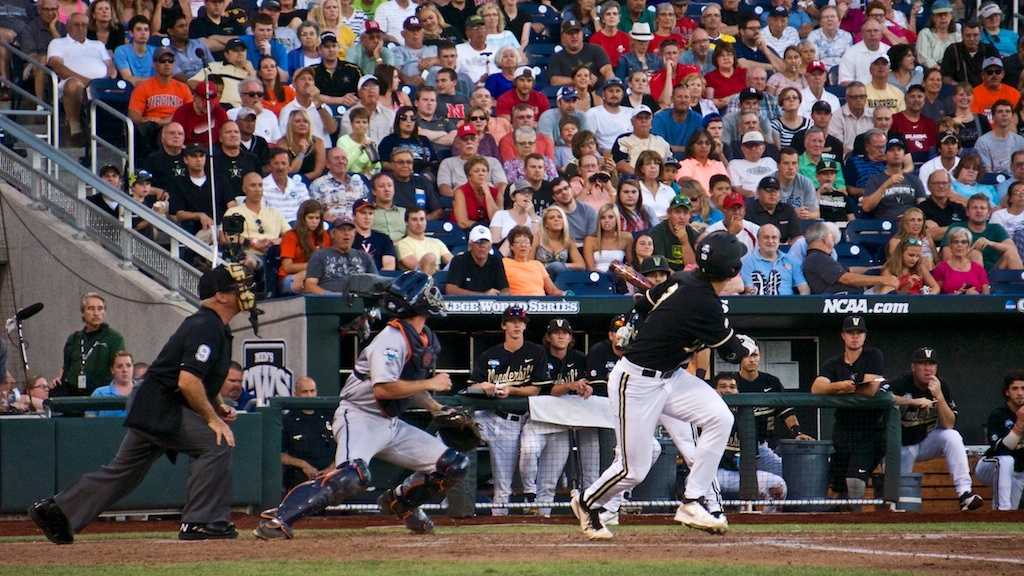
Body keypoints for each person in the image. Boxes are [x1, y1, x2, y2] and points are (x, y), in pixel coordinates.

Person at [31, 264, 255, 544]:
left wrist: (217, 405)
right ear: (221, 296)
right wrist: (212, 418)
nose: (246, 291)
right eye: (238, 288)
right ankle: (201, 522)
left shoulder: (211, 325)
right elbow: (187, 381)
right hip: (163, 405)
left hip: (154, 401)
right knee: (215, 442)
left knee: (124, 471)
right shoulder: (206, 325)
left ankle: (57, 511)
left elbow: (200, 380)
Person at [255, 271, 469, 538]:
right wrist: (431, 384)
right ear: (418, 300)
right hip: (359, 416)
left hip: (390, 423)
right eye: (429, 291)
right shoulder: (392, 339)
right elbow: (384, 388)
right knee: (350, 477)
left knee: (453, 464)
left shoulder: (422, 336)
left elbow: (408, 387)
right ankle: (278, 518)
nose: (435, 296)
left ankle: (400, 502)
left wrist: (435, 408)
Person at [572, 232, 756, 540]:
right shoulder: (704, 303)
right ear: (731, 271)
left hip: (672, 376)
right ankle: (587, 502)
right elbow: (732, 353)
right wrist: (740, 343)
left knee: (720, 418)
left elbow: (644, 302)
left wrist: (644, 324)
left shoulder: (682, 279)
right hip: (636, 381)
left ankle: (693, 500)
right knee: (633, 470)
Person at [464, 305, 550, 515]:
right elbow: (471, 386)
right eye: (512, 321)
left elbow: (537, 389)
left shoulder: (536, 351)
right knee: (502, 483)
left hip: (522, 420)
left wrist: (511, 389)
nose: (517, 325)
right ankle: (483, 515)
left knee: (517, 468)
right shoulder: (490, 354)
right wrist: (484, 387)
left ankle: (515, 512)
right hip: (495, 418)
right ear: (504, 325)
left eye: (521, 321)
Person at [888, 347, 984, 511]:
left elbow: (949, 423)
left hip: (925, 441)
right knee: (897, 501)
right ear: (913, 367)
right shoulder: (902, 383)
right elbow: (883, 396)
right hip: (901, 445)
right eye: (922, 364)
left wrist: (939, 396)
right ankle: (892, 504)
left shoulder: (940, 386)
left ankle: (964, 494)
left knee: (951, 436)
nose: (928, 369)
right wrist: (911, 402)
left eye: (931, 364)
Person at [516, 317, 590, 518]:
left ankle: (543, 519)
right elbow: (547, 389)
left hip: (562, 425)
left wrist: (585, 388)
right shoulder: (539, 357)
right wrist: (570, 385)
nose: (561, 336)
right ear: (548, 337)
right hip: (538, 420)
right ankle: (529, 493)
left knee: (549, 481)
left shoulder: (580, 359)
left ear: (570, 337)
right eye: (556, 332)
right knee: (529, 451)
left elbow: (588, 385)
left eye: (565, 332)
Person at [811, 316, 888, 505]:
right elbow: (816, 388)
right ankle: (839, 529)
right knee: (837, 487)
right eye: (850, 332)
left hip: (870, 430)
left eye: (859, 332)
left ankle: (858, 521)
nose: (855, 337)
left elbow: (871, 389)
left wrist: (837, 389)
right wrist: (840, 385)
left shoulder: (873, 356)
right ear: (843, 335)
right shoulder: (833, 363)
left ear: (865, 335)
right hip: (843, 429)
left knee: (855, 482)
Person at [713, 372, 787, 503]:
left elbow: (750, 460)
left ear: (738, 391)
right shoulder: (704, 413)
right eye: (723, 386)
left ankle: (761, 520)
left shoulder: (747, 417)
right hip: (711, 474)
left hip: (738, 473)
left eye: (732, 387)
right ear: (714, 390)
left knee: (777, 485)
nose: (728, 390)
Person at [47, 12, 116, 146]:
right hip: (71, 83)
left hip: (100, 85)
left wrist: (107, 78)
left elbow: (110, 66)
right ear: (68, 26)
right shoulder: (58, 43)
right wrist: (86, 81)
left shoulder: (97, 44)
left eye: (84, 25)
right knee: (74, 84)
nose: (80, 28)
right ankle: (75, 126)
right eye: (76, 25)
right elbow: (57, 65)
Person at [801, 221, 898, 294]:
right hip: (840, 302)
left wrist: (877, 268)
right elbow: (847, 278)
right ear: (823, 238)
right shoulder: (816, 258)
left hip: (854, 297)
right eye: (831, 236)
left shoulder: (821, 258)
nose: (834, 240)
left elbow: (849, 270)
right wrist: (883, 279)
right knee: (888, 287)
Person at [975, 371, 1024, 511]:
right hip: (990, 465)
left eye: (1023, 388)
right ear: (1007, 392)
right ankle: (1001, 509)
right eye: (1015, 388)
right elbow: (1000, 449)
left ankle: (1005, 515)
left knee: (1011, 515)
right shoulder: (998, 415)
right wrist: (1019, 424)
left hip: (1018, 472)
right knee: (1006, 460)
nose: (1020, 393)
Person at [222, 171, 289, 271]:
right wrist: (253, 243)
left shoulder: (274, 212)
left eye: (260, 185)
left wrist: (277, 241)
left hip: (275, 254)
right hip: (249, 254)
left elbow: (290, 235)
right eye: (253, 185)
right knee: (249, 260)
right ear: (244, 189)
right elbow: (230, 238)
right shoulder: (233, 212)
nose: (257, 189)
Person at [280, 376, 337, 491]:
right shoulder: (287, 420)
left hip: (331, 476)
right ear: (296, 394)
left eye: (312, 391)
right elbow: (280, 455)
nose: (310, 395)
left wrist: (332, 467)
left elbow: (344, 446)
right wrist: (303, 465)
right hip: (300, 478)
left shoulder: (330, 416)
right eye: (305, 392)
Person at [168, 144, 232, 243]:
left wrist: (224, 227)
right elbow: (179, 214)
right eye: (194, 156)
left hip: (220, 227)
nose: (198, 160)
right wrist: (199, 215)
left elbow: (232, 205)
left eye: (201, 156)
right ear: (185, 160)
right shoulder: (178, 183)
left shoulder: (219, 180)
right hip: (192, 231)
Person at [943, 194, 1023, 272]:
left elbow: (1012, 249)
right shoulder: (956, 227)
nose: (979, 211)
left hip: (994, 272)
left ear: (988, 214)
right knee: (976, 254)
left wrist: (989, 243)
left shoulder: (996, 228)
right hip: (965, 273)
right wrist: (971, 250)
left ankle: (1020, 284)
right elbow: (947, 257)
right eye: (975, 208)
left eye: (983, 208)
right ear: (967, 212)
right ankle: (980, 283)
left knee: (1011, 253)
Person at [303, 214, 378, 294]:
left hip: (360, 301)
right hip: (331, 302)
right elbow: (309, 286)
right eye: (342, 229)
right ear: (332, 234)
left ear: (355, 234)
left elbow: (377, 284)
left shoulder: (365, 257)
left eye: (350, 230)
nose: (346, 233)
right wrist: (330, 295)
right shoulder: (320, 255)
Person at [862, 138, 927, 222]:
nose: (896, 153)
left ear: (904, 155)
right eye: (891, 150)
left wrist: (909, 216)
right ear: (885, 156)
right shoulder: (875, 179)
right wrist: (886, 184)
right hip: (884, 226)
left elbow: (923, 207)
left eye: (899, 150)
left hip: (910, 225)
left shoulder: (914, 179)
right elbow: (866, 207)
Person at [279, 199, 331, 294]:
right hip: (290, 277)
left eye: (317, 218)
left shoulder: (325, 236)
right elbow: (287, 267)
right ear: (303, 218)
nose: (314, 222)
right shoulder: (290, 235)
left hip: (315, 276)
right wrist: (313, 267)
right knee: (307, 280)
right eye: (310, 218)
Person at [740, 223, 808, 295]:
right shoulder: (748, 262)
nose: (770, 241)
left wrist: (800, 305)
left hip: (787, 304)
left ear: (779, 241)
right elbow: (749, 291)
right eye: (766, 237)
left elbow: (804, 288)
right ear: (758, 241)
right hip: (759, 303)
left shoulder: (791, 260)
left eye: (774, 237)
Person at [308, 147, 370, 221]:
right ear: (327, 164)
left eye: (344, 158)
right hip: (332, 227)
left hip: (357, 226)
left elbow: (368, 206)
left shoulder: (359, 182)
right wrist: (323, 216)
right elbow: (312, 212)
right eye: (336, 158)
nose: (341, 161)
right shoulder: (317, 185)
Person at [548, 19, 614, 87]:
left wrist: (611, 85)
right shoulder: (556, 57)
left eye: (577, 32)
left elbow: (607, 71)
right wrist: (582, 80)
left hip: (596, 91)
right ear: (563, 37)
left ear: (582, 34)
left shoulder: (596, 49)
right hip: (571, 94)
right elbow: (554, 81)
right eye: (570, 33)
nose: (574, 36)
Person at [445, 225, 509, 296]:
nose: (482, 246)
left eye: (485, 242)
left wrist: (502, 296)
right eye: (478, 242)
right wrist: (483, 295)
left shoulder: (496, 261)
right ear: (470, 245)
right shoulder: (459, 260)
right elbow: (451, 290)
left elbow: (505, 289)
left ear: (490, 245)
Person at [171, 81, 230, 148]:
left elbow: (226, 136)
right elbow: (175, 139)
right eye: (203, 100)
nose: (207, 104)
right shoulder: (182, 112)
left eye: (211, 101)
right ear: (195, 97)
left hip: (214, 151)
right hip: (189, 150)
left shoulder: (219, 112)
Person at [534, 206, 586, 279]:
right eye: (552, 218)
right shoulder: (538, 238)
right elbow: (528, 262)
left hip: (561, 277)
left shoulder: (568, 240)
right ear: (546, 224)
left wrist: (562, 265)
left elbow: (581, 265)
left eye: (560, 217)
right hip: (541, 277)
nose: (556, 219)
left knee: (557, 267)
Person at [396, 207, 453, 274]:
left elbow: (452, 262)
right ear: (406, 222)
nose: (419, 223)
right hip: (416, 280)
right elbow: (417, 267)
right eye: (414, 220)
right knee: (430, 257)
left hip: (439, 279)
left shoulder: (437, 242)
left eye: (422, 219)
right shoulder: (402, 244)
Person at [941, 20, 998, 87]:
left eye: (975, 35)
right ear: (962, 36)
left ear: (980, 35)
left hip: (985, 90)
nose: (972, 39)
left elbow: (998, 73)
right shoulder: (952, 50)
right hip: (962, 92)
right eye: (968, 35)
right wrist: (960, 86)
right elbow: (945, 77)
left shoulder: (990, 50)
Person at [584, 78, 634, 154]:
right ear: (603, 94)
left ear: (622, 94)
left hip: (629, 155)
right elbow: (587, 141)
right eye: (610, 91)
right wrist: (599, 159)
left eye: (618, 91)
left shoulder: (631, 112)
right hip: (604, 157)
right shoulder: (593, 113)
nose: (614, 94)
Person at [744, 178, 801, 244]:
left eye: (776, 190)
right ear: (758, 192)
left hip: (783, 250)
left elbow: (796, 237)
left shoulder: (787, 209)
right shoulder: (748, 210)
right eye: (768, 190)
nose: (773, 194)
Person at [649, 194, 698, 271]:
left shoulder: (693, 233)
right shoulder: (657, 233)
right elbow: (660, 265)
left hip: (686, 278)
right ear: (669, 213)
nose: (681, 217)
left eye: (685, 213)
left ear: (690, 216)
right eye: (677, 212)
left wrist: (684, 242)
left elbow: (692, 267)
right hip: (664, 276)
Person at [262, 148, 311, 224]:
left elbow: (308, 210)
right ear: (269, 166)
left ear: (289, 167)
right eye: (276, 163)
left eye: (283, 163)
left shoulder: (300, 186)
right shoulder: (261, 187)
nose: (280, 167)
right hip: (274, 227)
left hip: (299, 227)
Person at [975, 100, 1024, 175]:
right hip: (993, 183)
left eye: (1008, 111)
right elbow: (987, 172)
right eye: (1000, 111)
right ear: (993, 116)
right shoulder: (983, 142)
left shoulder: (1020, 141)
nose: (1004, 114)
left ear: (1012, 116)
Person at [351, 198, 396, 272]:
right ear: (353, 216)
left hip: (379, 281)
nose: (367, 217)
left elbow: (389, 267)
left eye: (370, 213)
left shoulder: (384, 239)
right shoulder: (347, 238)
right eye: (363, 213)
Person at [829, 82, 873, 156]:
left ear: (866, 98)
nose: (858, 100)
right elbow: (837, 145)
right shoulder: (836, 116)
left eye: (862, 96)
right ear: (846, 98)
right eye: (854, 97)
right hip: (846, 159)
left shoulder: (873, 115)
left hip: (871, 158)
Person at [87, 351, 135, 418]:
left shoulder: (142, 390)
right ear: (112, 370)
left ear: (133, 368)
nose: (125, 370)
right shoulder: (99, 393)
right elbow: (89, 421)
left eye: (128, 365)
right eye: (119, 366)